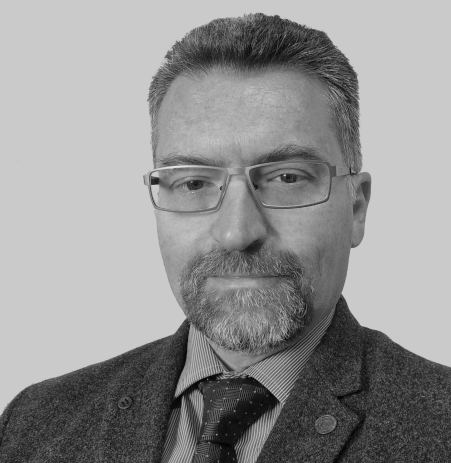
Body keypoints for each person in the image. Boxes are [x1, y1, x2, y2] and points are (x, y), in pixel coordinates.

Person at [1, 13, 450, 462]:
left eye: (287, 178)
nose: (237, 233)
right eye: (194, 182)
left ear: (356, 207)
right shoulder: (33, 427)